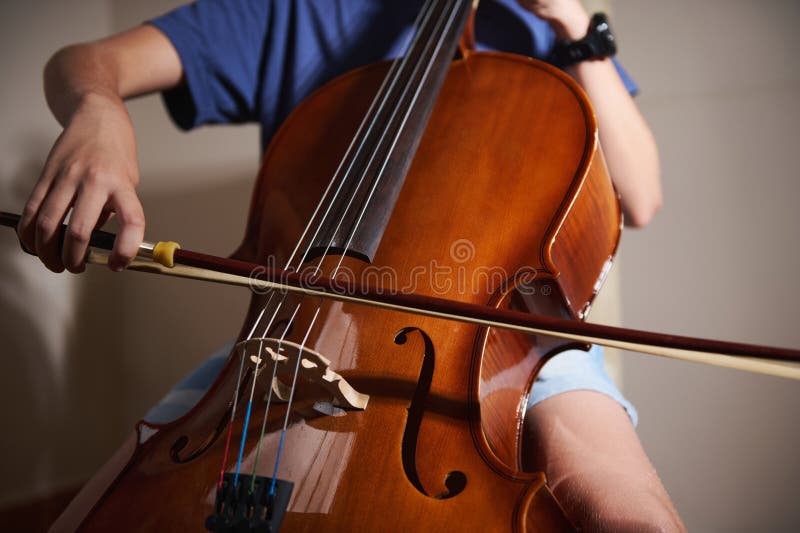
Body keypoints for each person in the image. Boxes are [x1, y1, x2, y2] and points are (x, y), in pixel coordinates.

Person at [16, 0, 682, 530]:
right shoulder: (292, 11)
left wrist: (571, 23)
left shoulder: (539, 26)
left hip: (497, 337)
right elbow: (84, 62)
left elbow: (641, 195)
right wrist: (99, 107)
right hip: (285, 341)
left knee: (632, 518)